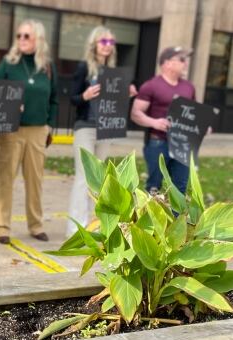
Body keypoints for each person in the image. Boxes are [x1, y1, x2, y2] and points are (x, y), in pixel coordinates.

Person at [66, 26, 137, 237]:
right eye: (103, 41)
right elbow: (72, 98)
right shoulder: (84, 68)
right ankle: (75, 231)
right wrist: (85, 95)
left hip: (106, 129)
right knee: (83, 177)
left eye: (111, 42)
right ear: (94, 44)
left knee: (98, 181)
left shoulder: (116, 73)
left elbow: (117, 102)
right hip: (85, 127)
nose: (107, 46)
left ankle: (93, 226)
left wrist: (129, 93)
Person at [0, 19, 58, 244]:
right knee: (5, 178)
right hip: (11, 129)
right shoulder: (8, 63)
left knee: (35, 180)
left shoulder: (47, 67)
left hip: (38, 130)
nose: (21, 40)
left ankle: (35, 224)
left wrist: (50, 124)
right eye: (19, 36)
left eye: (26, 36)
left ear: (38, 39)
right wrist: (9, 105)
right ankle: (1, 225)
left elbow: (54, 99)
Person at [131, 46, 195, 194]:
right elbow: (135, 113)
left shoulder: (189, 87)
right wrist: (154, 122)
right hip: (158, 143)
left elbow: (193, 114)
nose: (185, 63)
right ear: (167, 63)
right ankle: (150, 217)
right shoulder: (151, 86)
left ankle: (175, 217)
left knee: (180, 189)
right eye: (182, 60)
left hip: (181, 144)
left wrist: (203, 126)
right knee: (154, 187)